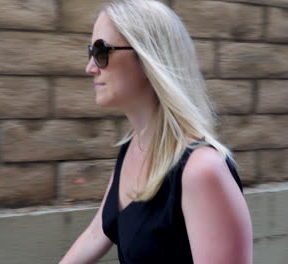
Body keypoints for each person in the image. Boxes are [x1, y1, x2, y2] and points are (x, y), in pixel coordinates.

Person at [58, 0, 253, 263]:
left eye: (102, 51)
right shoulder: (133, 148)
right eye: (91, 52)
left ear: (149, 57)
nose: (90, 67)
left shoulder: (201, 171)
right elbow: (97, 233)